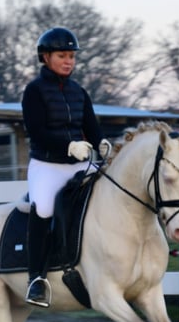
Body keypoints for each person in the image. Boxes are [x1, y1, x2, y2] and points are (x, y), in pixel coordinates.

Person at [21, 27, 111, 307]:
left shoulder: (79, 92)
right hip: (47, 165)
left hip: (79, 165)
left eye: (72, 56)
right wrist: (68, 146)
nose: (69, 61)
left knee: (116, 191)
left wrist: (103, 143)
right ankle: (36, 279)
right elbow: (36, 132)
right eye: (62, 55)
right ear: (45, 57)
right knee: (45, 208)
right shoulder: (34, 91)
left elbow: (91, 128)